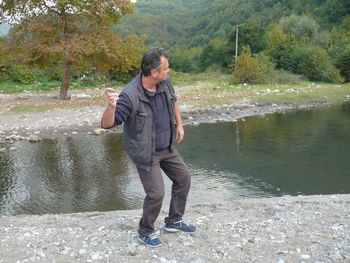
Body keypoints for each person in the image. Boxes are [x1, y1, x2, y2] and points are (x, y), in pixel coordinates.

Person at [101, 47, 196, 247]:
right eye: (166, 68)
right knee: (156, 193)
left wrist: (180, 124)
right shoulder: (130, 95)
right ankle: (145, 230)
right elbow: (108, 124)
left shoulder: (165, 83)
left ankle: (174, 221)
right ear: (154, 72)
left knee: (183, 178)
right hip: (146, 152)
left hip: (167, 146)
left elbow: (175, 101)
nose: (168, 71)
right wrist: (111, 107)